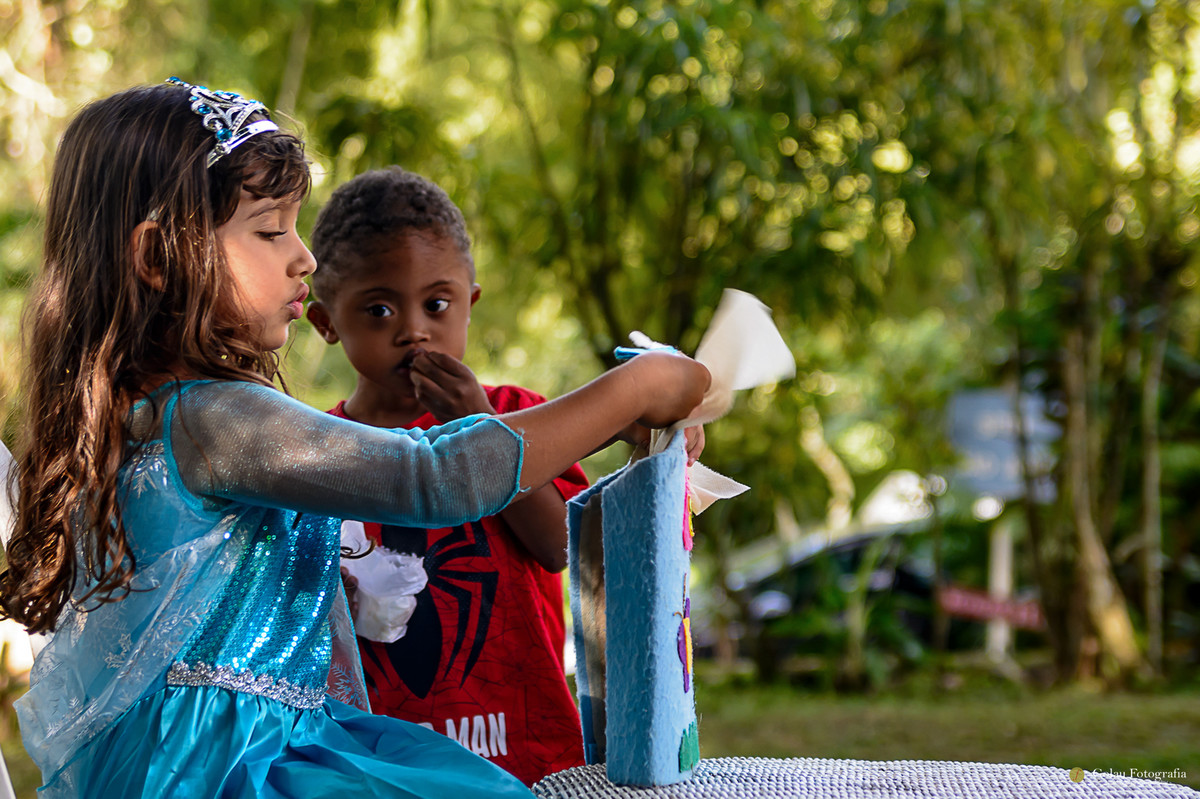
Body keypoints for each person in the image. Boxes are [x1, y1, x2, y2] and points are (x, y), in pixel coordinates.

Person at [0, 79, 709, 799]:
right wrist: (636, 388)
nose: (303, 258)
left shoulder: (146, 412)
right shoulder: (211, 416)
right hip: (237, 768)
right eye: (271, 231)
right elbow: (432, 477)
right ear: (158, 256)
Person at [305, 167, 584, 785]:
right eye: (379, 310)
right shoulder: (314, 456)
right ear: (326, 323)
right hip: (383, 771)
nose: (414, 330)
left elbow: (562, 545)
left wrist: (481, 430)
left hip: (527, 761)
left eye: (437, 304)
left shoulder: (520, 417)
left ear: (470, 304)